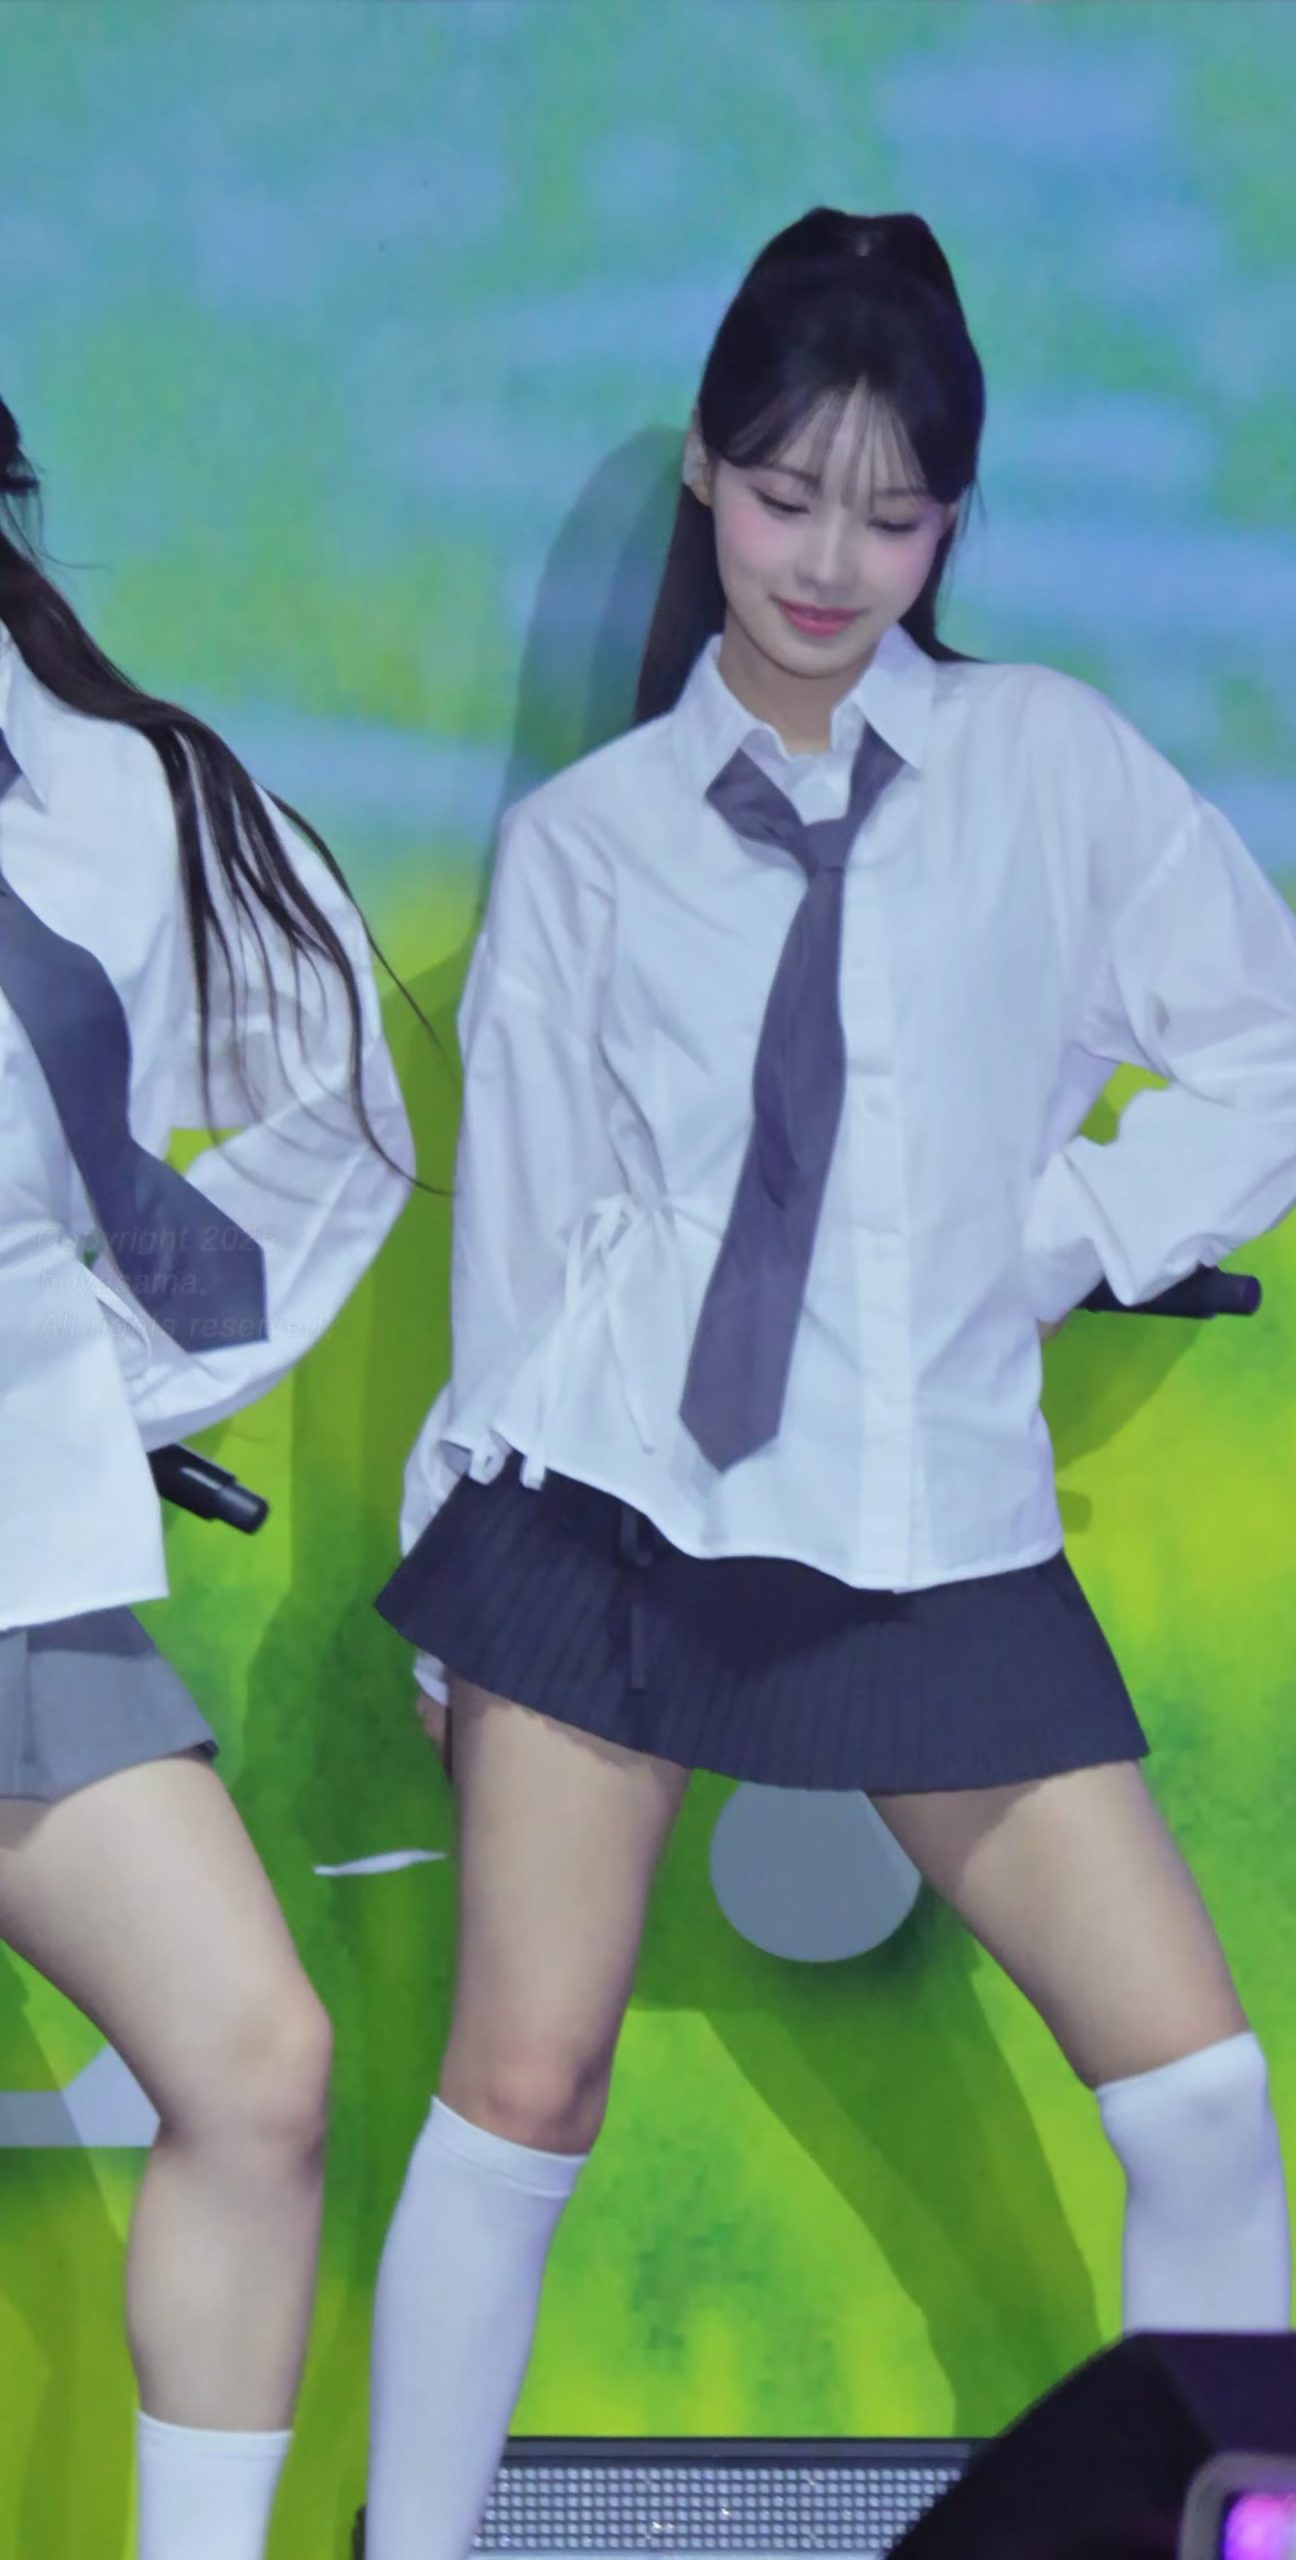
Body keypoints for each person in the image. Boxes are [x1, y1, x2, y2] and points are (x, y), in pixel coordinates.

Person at [364, 210, 1296, 2560]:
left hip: (929, 1527)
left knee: (1199, 2101)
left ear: (952, 524)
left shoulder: (1046, 763)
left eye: (896, 512)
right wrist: (452, 1572)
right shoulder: (591, 844)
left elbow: (1289, 1050)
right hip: (604, 1522)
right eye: (788, 493)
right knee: (521, 2090)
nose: (833, 561)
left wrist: (1065, 1231)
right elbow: (530, 1247)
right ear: (706, 476)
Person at [0, 396, 413, 2560]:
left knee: (258, 2064)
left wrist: (118, 1382)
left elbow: (343, 1108)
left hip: (16, 1573)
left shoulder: (115, 793)